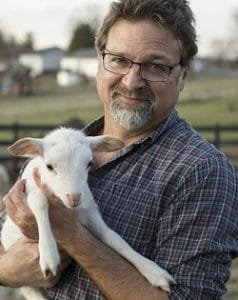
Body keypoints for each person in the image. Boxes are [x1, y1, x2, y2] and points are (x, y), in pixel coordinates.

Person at [0, 0, 238, 299]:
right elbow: (4, 240)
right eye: (119, 60)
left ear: (183, 76)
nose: (132, 81)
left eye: (156, 66)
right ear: (100, 62)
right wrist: (8, 270)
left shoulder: (202, 173)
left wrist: (72, 236)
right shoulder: (56, 152)